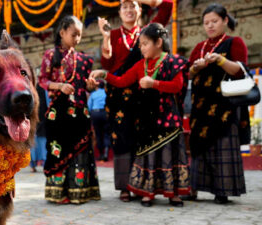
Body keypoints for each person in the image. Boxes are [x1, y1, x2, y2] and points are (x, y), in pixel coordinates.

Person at [90, 23, 191, 207]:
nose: (141, 48)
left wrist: (154, 84)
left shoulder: (174, 62)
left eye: (145, 44)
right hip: (147, 120)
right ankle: (148, 192)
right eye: (141, 44)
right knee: (149, 156)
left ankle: (173, 193)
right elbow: (121, 81)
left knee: (171, 155)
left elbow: (177, 86)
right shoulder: (140, 65)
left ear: (158, 42)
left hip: (169, 118)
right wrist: (105, 74)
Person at [98, 0, 173, 202]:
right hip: (119, 93)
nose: (129, 10)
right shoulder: (113, 34)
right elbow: (107, 63)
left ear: (141, 9)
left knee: (144, 137)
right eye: (125, 7)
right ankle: (124, 186)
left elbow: (166, 7)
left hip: (144, 92)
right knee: (121, 137)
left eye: (134, 6)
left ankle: (144, 185)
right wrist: (105, 38)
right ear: (119, 12)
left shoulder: (148, 31)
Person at [187, 3, 249, 204]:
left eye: (214, 21)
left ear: (224, 21)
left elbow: (240, 71)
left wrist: (220, 61)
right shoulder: (200, 47)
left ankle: (222, 190)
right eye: (206, 23)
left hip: (225, 106)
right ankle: (194, 187)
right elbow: (188, 72)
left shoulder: (234, 42)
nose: (210, 26)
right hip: (201, 106)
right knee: (198, 146)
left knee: (222, 144)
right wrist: (197, 67)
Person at [39, 15, 101, 204]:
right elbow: (42, 80)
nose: (77, 39)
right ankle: (58, 192)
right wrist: (59, 86)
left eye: (80, 35)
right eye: (74, 34)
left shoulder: (83, 59)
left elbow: (86, 87)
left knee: (80, 151)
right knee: (59, 150)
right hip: (58, 115)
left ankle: (79, 191)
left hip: (79, 114)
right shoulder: (50, 56)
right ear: (62, 32)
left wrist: (90, 86)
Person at [88, 81, 110, 161]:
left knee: (98, 134)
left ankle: (100, 154)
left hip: (95, 114)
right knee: (107, 133)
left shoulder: (93, 94)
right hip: (105, 113)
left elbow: (89, 106)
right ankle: (106, 153)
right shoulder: (106, 93)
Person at [29, 84, 49, 172]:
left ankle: (33, 164)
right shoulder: (44, 87)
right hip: (41, 116)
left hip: (33, 116)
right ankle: (43, 162)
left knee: (35, 139)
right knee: (42, 140)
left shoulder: (28, 87)